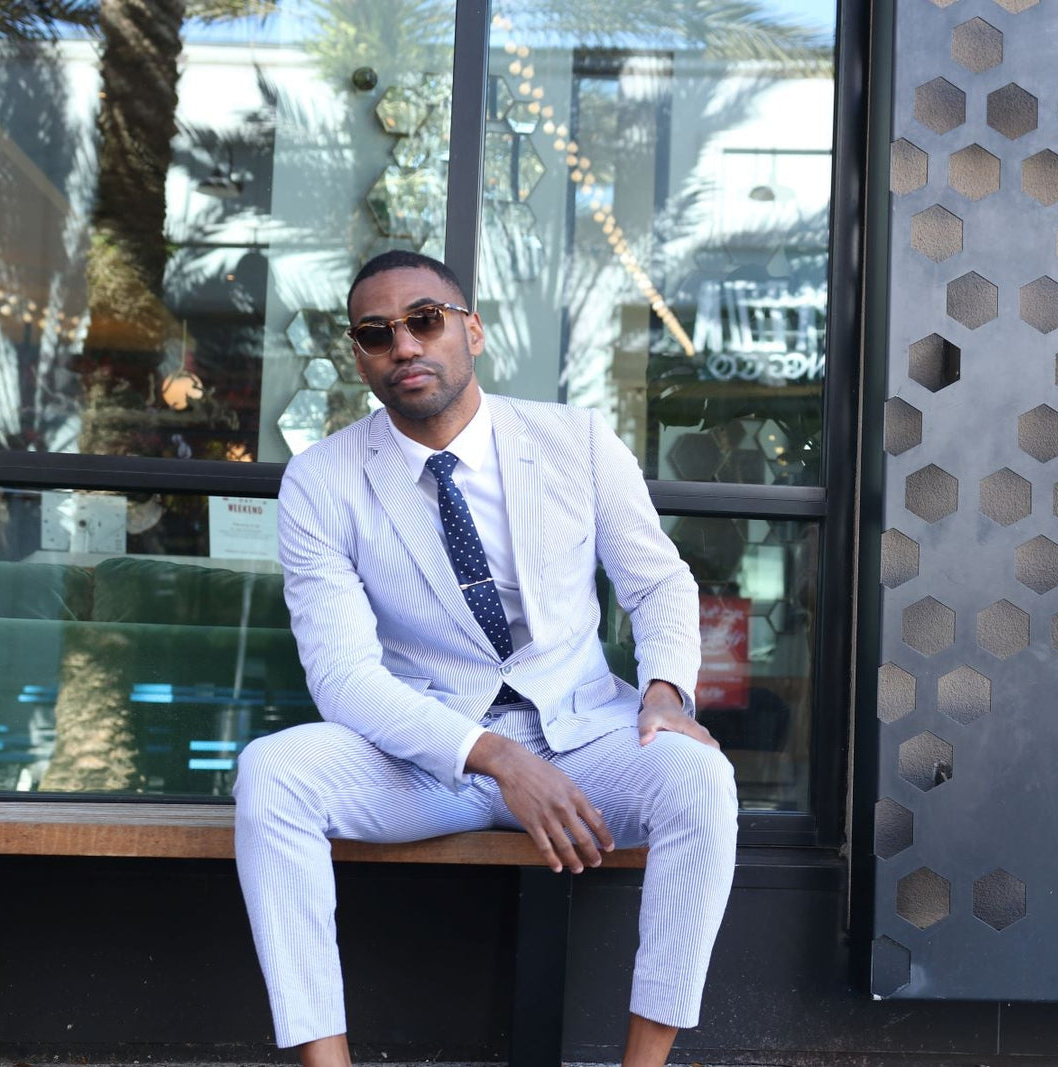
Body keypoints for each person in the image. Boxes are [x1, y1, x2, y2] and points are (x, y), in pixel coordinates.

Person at [232, 250, 738, 1067]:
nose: (404, 346)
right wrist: (494, 756)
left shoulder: (574, 439)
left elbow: (658, 582)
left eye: (424, 320)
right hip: (432, 756)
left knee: (700, 777)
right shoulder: (322, 480)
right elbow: (343, 677)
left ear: (473, 329)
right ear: (358, 356)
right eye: (376, 332)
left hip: (582, 736)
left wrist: (666, 692)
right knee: (272, 773)